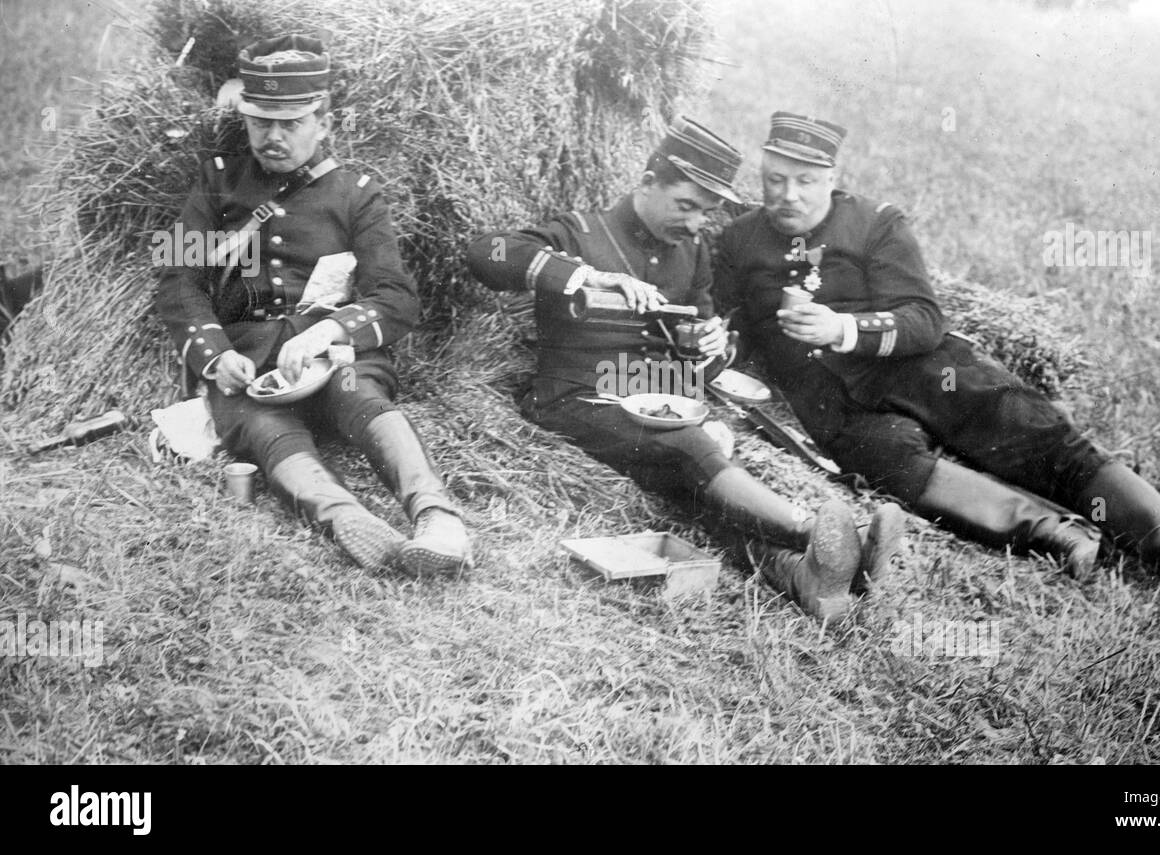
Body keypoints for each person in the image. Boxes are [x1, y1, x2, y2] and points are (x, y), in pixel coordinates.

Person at [715, 111, 1160, 598]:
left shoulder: (876, 223)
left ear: (832, 177)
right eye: (775, 180)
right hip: (833, 400)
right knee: (893, 467)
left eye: (805, 181)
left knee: (1032, 431)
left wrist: (843, 328)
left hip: (921, 367)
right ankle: (1056, 533)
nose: (788, 196)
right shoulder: (740, 240)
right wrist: (722, 340)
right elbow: (723, 316)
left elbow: (923, 318)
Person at [466, 117, 904, 622]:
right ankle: (820, 535)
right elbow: (486, 252)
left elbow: (700, 352)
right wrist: (586, 276)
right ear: (648, 183)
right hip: (575, 400)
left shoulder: (690, 254)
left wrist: (712, 346)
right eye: (686, 205)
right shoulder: (580, 232)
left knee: (697, 484)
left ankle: (803, 576)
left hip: (657, 405)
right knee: (692, 448)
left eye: (706, 212)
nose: (696, 225)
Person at [155, 34, 470, 576]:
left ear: (324, 124)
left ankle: (437, 518)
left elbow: (396, 297)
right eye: (260, 122)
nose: (272, 137)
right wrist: (215, 356)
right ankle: (346, 520)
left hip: (333, 355)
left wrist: (329, 332)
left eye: (291, 123)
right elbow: (176, 280)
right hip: (249, 362)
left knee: (360, 394)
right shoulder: (217, 181)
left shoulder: (357, 193)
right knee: (262, 428)